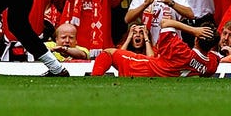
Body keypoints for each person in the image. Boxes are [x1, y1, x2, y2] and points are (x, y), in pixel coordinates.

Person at [91, 18, 221, 77]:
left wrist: (193, 29)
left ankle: (95, 80)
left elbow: (165, 22)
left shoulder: (181, 50)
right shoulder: (210, 65)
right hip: (162, 75)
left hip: (144, 68)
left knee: (109, 53)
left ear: (196, 38)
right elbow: (214, 59)